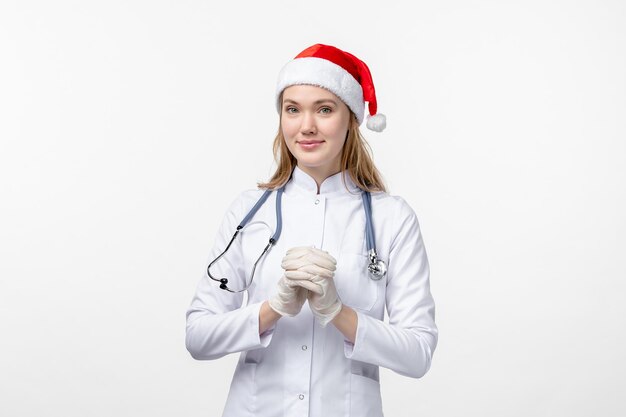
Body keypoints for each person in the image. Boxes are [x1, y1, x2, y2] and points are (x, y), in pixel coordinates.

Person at [185, 43, 438, 417]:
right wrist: (273, 308)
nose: (306, 126)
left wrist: (338, 312)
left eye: (324, 109)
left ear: (351, 119)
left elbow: (418, 354)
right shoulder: (249, 211)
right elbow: (198, 338)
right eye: (293, 110)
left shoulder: (392, 218)